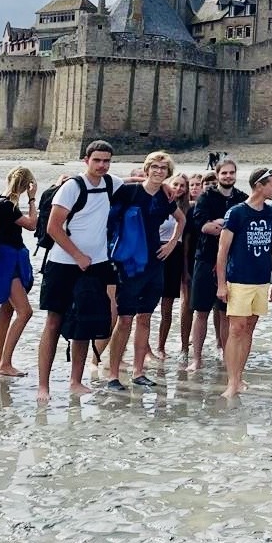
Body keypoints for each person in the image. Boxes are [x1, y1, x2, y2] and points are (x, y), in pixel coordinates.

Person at [38, 141, 122, 400]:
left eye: (106, 161)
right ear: (86, 160)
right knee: (54, 321)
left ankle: (76, 380)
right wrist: (77, 255)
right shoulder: (72, 187)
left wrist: (164, 185)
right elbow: (53, 227)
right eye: (97, 160)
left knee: (85, 323)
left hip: (96, 265)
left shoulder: (111, 183)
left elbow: (137, 183)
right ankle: (43, 386)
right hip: (63, 264)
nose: (102, 165)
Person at [104, 151, 183, 389]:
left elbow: (181, 219)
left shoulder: (165, 196)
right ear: (147, 169)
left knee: (145, 317)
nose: (159, 171)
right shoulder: (129, 191)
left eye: (163, 168)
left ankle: (138, 372)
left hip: (154, 262)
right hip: (129, 263)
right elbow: (108, 185)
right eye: (154, 167)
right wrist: (141, 179)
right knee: (125, 319)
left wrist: (171, 244)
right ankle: (113, 375)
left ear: (168, 172)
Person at [216, 167, 272, 398]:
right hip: (238, 280)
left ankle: (239, 376)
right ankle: (231, 381)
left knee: (249, 330)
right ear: (259, 186)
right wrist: (221, 284)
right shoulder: (237, 213)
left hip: (261, 281)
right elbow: (222, 251)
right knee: (236, 329)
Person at [188, 159, 245, 371]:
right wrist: (228, 229)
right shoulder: (206, 197)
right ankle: (197, 359)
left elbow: (244, 229)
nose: (228, 176)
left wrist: (220, 224)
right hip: (205, 259)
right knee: (201, 312)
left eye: (231, 173)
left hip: (232, 262)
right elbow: (203, 227)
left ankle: (226, 356)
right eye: (224, 173)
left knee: (225, 313)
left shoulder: (241, 199)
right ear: (218, 174)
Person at [0, 166, 38, 377]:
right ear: (27, 185)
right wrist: (32, 199)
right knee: (25, 312)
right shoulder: (8, 205)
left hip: (2, 259)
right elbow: (32, 225)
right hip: (8, 260)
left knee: (6, 313)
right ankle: (5, 363)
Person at [154, 171, 191, 360]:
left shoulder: (187, 208)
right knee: (145, 306)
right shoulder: (158, 201)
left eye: (182, 185)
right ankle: (145, 349)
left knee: (167, 306)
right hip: (156, 251)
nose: (178, 188)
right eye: (175, 184)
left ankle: (161, 347)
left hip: (175, 254)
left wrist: (185, 269)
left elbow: (186, 241)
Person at [177, 171, 208, 358]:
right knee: (187, 304)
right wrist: (185, 269)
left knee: (211, 308)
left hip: (207, 261)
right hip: (190, 261)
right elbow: (186, 241)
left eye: (198, 184)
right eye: (192, 185)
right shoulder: (187, 209)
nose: (195, 188)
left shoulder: (208, 205)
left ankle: (216, 344)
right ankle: (184, 347)